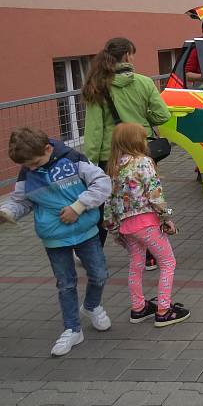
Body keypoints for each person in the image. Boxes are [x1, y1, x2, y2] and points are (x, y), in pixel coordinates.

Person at [0, 127, 112, 356]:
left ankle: (91, 306)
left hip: (86, 231)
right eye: (28, 166)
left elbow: (102, 183)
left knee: (99, 274)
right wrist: (8, 211)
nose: (32, 168)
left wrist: (78, 207)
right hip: (54, 238)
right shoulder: (27, 172)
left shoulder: (74, 159)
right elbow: (22, 201)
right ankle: (72, 329)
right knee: (65, 284)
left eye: (35, 162)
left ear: (48, 149)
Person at [82, 38, 170, 272]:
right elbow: (163, 116)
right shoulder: (144, 83)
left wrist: (89, 162)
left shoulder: (98, 86)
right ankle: (152, 255)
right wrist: (143, 121)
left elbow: (94, 129)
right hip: (141, 151)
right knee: (146, 200)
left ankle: (93, 256)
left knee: (104, 205)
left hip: (108, 157)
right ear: (128, 56)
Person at [104, 123, 190, 327]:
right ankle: (164, 309)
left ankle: (139, 307)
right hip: (148, 224)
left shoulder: (114, 166)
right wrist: (168, 217)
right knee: (168, 263)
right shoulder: (144, 162)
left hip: (126, 226)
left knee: (136, 265)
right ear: (136, 141)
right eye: (144, 138)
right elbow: (156, 196)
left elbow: (109, 202)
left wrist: (114, 229)